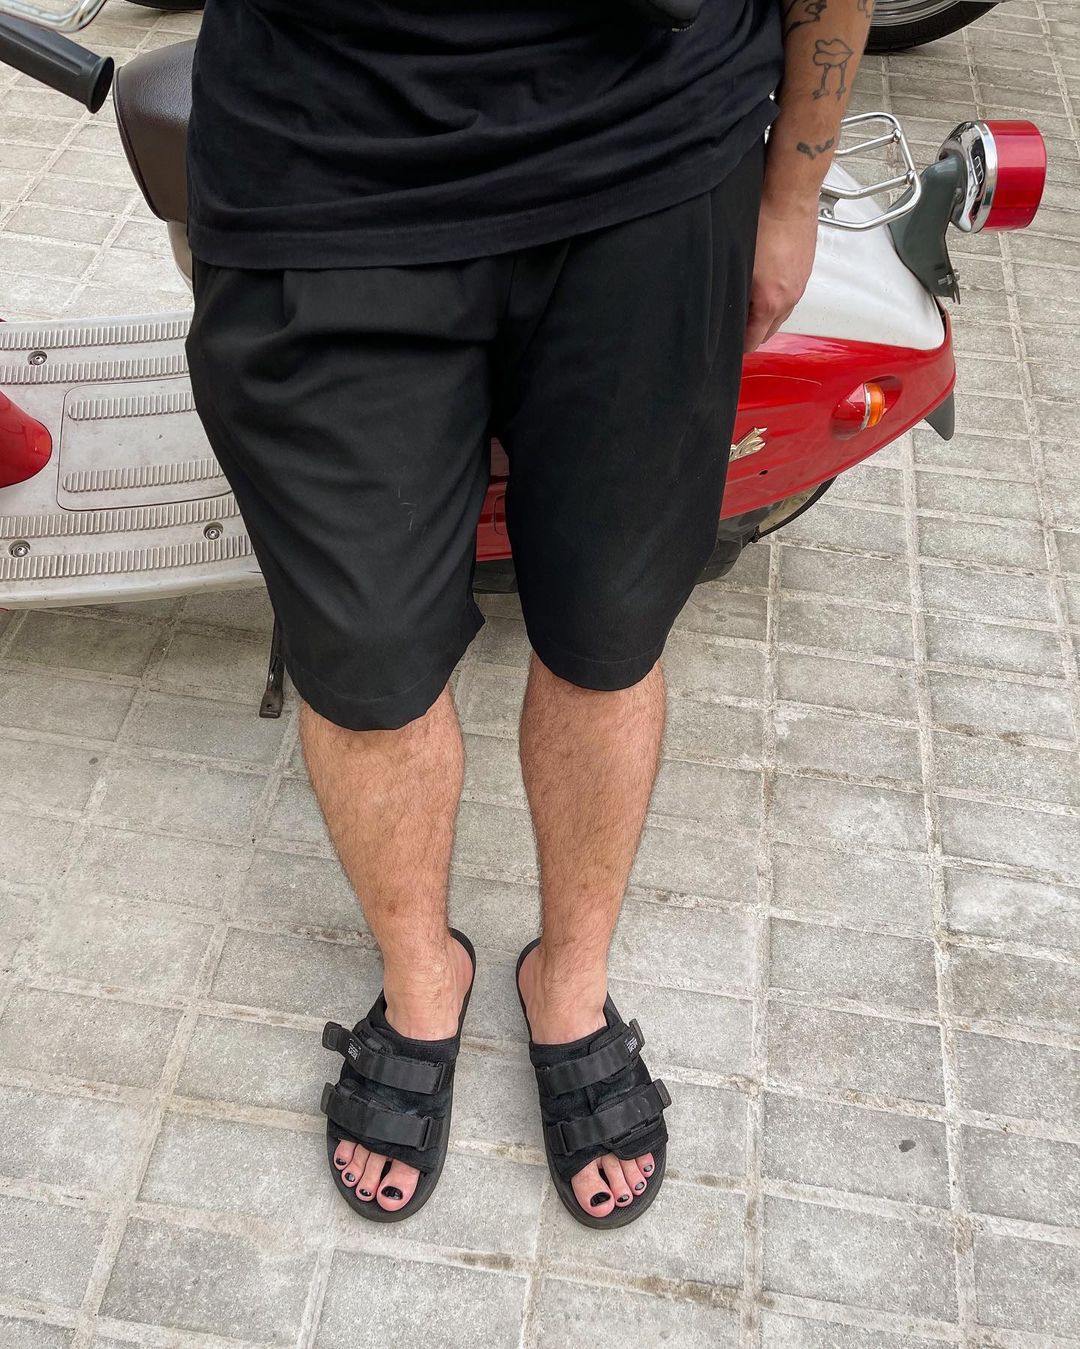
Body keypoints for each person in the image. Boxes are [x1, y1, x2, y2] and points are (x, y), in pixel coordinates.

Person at [184, 0, 872, 1227]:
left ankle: (571, 979)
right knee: (364, 665)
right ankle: (422, 978)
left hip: (655, 154)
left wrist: (793, 188)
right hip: (324, 168)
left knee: (610, 634)